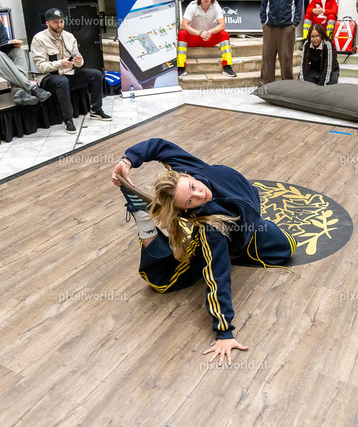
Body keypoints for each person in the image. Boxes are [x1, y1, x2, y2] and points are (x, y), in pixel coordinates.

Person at [111, 138, 296, 366]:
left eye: (193, 187)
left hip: (250, 226)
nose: (200, 195)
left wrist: (127, 160)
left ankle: (235, 245)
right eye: (190, 201)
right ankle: (143, 218)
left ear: (187, 175)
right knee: (163, 280)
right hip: (224, 232)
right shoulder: (212, 229)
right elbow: (217, 276)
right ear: (185, 209)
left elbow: (158, 145)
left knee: (287, 247)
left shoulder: (190, 167)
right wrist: (224, 331)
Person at [31, 8, 111, 135]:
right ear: (47, 23)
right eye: (55, 22)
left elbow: (79, 60)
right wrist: (60, 63)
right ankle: (68, 119)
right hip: (47, 77)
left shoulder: (69, 36)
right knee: (62, 81)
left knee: (96, 74)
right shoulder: (39, 39)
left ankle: (96, 110)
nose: (59, 25)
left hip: (68, 73)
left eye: (61, 21)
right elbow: (40, 66)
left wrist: (78, 61)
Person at [177, 0, 236, 78]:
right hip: (194, 37)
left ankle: (227, 66)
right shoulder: (192, 6)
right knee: (182, 33)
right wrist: (199, 33)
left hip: (208, 38)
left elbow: (222, 25)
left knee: (224, 34)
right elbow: (184, 25)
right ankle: (181, 66)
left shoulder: (216, 6)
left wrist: (210, 32)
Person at [259, 0, 302, 85]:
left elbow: (298, 4)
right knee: (268, 56)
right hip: (269, 25)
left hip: (287, 26)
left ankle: (287, 85)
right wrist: (264, 21)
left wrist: (295, 23)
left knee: (286, 57)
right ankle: (265, 85)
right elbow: (264, 3)